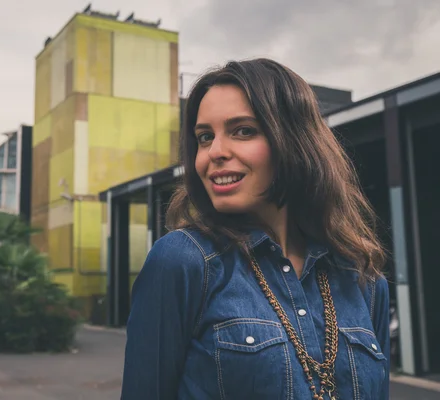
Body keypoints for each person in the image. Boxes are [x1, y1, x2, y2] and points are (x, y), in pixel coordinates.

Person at [120, 58, 390, 400]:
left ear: (295, 140)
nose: (214, 153)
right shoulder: (184, 261)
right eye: (204, 137)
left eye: (243, 131)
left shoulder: (363, 278)